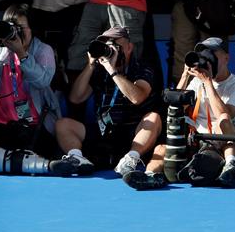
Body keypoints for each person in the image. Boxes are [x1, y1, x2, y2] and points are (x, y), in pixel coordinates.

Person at [124, 37, 235, 189]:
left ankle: (231, 165)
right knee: (161, 149)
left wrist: (208, 83)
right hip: (196, 138)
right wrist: (185, 75)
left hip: (224, 143)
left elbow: (225, 115)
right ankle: (149, 177)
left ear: (226, 58)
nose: (206, 57)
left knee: (222, 120)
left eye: (212, 53)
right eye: (203, 53)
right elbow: (176, 106)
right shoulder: (197, 81)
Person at [0, 4, 91, 175]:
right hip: (1, 126)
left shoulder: (43, 50)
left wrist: (22, 54)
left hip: (35, 127)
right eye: (11, 27)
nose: (16, 33)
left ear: (32, 29)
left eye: (21, 28)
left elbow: (42, 81)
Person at [60, 27, 160, 173]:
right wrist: (91, 65)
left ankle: (131, 158)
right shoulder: (100, 70)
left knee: (153, 118)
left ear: (129, 47)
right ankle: (77, 158)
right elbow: (76, 98)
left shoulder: (142, 68)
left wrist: (113, 71)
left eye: (115, 46)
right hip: (104, 131)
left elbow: (137, 97)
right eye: (107, 46)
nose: (111, 51)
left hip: (132, 133)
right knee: (63, 124)